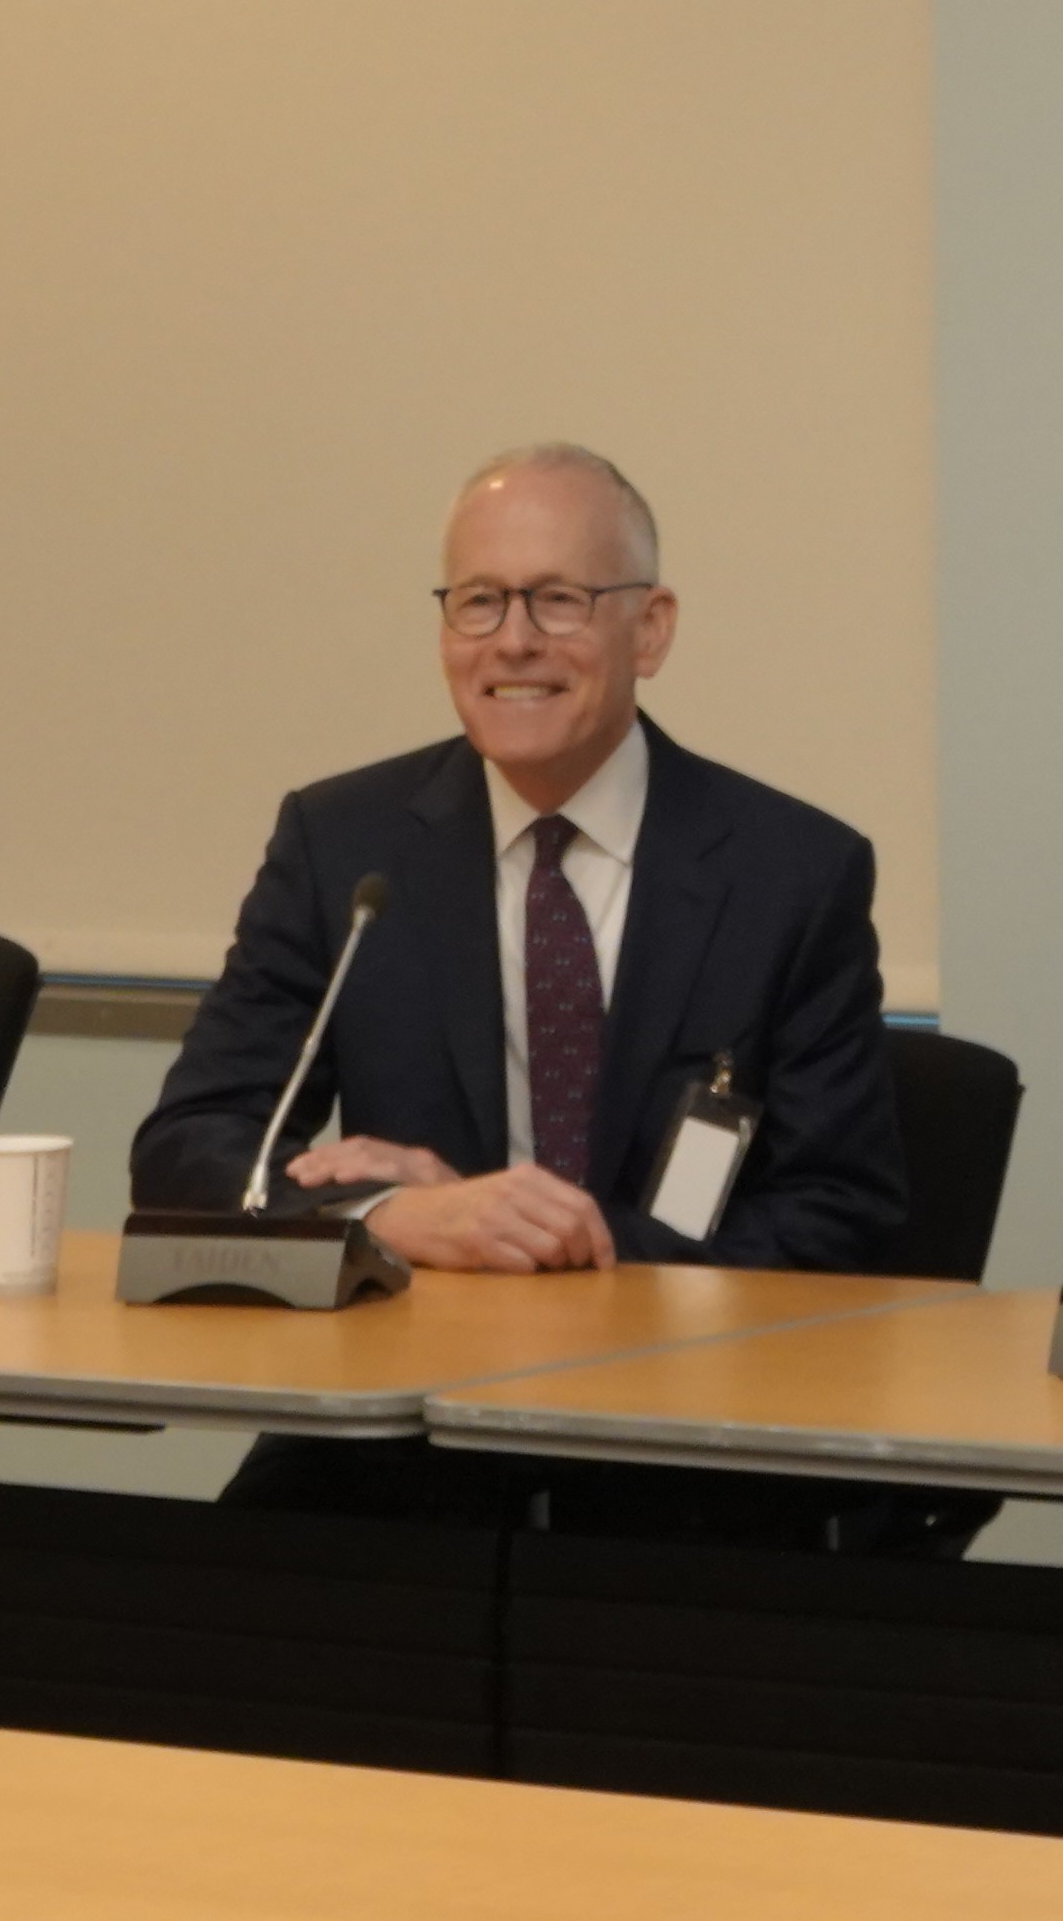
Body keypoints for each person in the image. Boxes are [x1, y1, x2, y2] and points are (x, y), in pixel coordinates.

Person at [133, 445, 953, 1545]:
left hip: (688, 1450)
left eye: (558, 600)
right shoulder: (346, 849)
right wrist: (399, 1216)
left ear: (649, 629)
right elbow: (190, 1147)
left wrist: (555, 1242)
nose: (512, 640)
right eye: (478, 602)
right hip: (397, 1442)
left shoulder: (788, 872)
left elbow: (838, 1223)